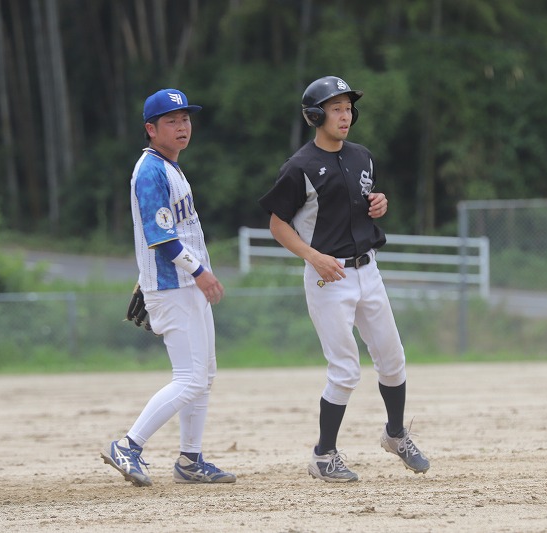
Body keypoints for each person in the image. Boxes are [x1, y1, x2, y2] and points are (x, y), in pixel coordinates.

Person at [258, 76, 430, 482]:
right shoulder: (299, 167)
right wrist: (313, 256)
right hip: (328, 276)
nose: (345, 115)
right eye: (336, 109)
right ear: (315, 115)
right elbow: (278, 224)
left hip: (368, 269)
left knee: (392, 358)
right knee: (345, 369)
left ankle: (396, 434)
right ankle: (324, 455)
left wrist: (378, 204)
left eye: (349, 108)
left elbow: (362, 204)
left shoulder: (362, 157)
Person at [100, 88, 235, 487]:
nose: (182, 126)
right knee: (190, 378)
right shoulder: (151, 171)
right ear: (151, 129)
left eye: (185, 119)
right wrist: (200, 272)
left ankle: (190, 460)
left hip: (184, 284)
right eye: (171, 121)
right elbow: (160, 236)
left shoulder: (170, 166)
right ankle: (128, 445)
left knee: (204, 375)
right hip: (174, 285)